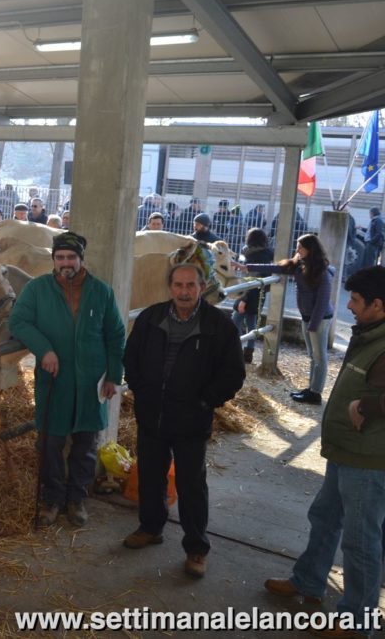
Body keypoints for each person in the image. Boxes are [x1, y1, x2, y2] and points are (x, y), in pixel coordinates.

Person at [263, 266, 385, 638]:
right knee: (325, 517)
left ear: (378, 305)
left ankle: (357, 621)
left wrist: (364, 408)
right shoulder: (370, 335)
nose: (349, 305)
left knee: (360, 540)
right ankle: (309, 581)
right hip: (347, 450)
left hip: (368, 459)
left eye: (357, 300)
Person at [122, 263, 245, 579]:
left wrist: (206, 401)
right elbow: (131, 357)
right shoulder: (151, 318)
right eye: (178, 285)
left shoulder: (220, 326)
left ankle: (196, 548)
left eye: (191, 285)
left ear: (202, 287)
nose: (184, 291)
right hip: (152, 414)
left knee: (191, 484)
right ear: (170, 287)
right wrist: (141, 389)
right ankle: (150, 528)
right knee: (150, 475)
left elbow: (233, 374)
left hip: (191, 419)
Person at [9, 231, 126, 527]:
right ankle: (51, 499)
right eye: (60, 257)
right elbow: (18, 321)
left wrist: (114, 375)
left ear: (81, 259)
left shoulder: (101, 292)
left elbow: (115, 334)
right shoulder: (38, 289)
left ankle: (76, 499)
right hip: (54, 379)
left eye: (71, 257)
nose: (65, 263)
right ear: (53, 259)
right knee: (49, 443)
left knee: (86, 444)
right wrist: (43, 350)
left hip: (91, 382)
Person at [245, 233, 333, 405]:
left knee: (319, 357)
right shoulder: (300, 265)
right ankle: (311, 389)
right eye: (297, 247)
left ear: (310, 249)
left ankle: (315, 394)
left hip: (319, 319)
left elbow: (323, 301)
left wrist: (313, 325)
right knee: (312, 356)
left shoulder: (322, 272)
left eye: (301, 247)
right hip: (308, 317)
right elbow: (277, 268)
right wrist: (245, 266)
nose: (297, 250)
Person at [232, 228, 274, 364]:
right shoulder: (268, 253)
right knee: (252, 323)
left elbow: (250, 278)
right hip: (259, 292)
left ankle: (236, 349)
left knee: (235, 321)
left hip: (247, 291)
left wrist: (244, 299)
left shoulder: (249, 252)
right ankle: (248, 353)